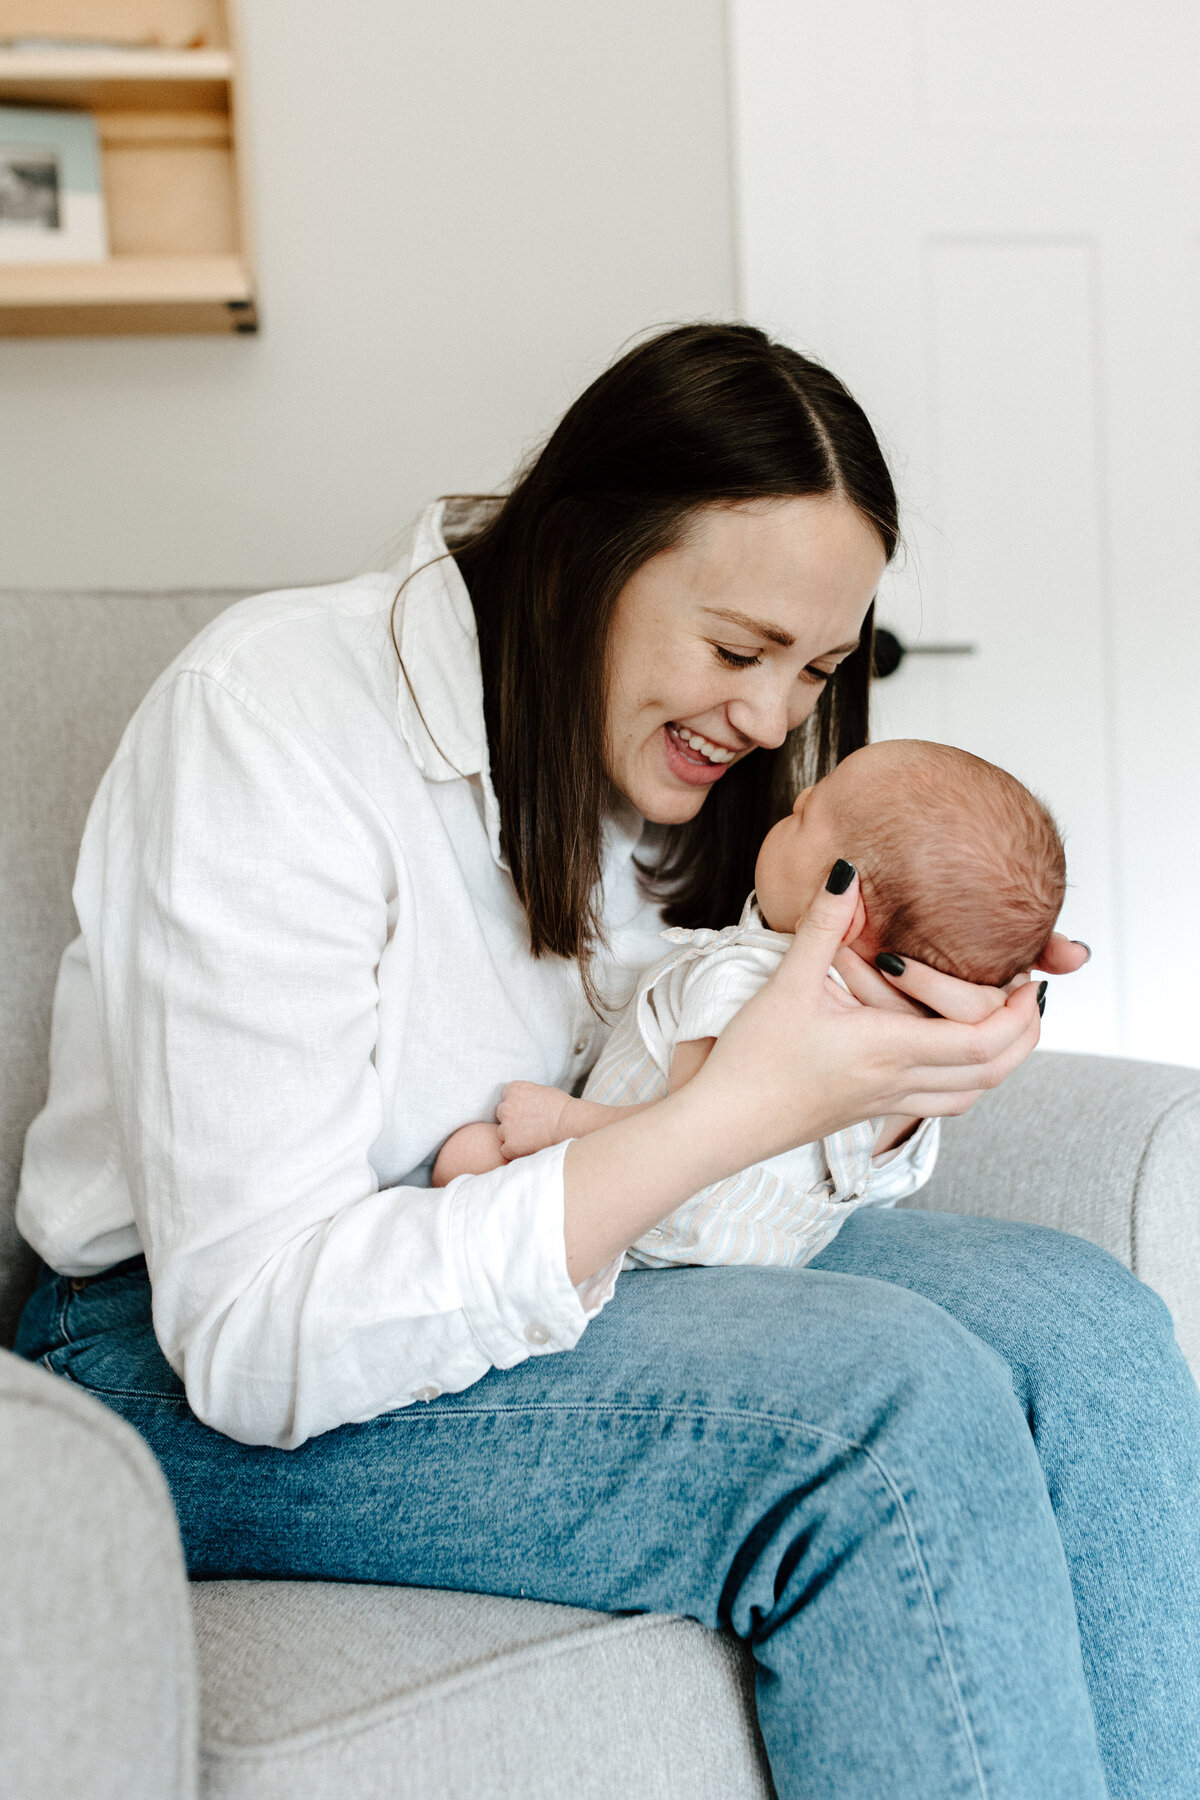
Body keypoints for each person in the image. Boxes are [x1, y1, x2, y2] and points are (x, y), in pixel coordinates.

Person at [14, 325, 1200, 1800]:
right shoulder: (274, 713)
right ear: (580, 557)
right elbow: (255, 1331)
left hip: (576, 1251)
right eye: (738, 649)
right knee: (887, 1411)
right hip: (175, 1361)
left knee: (1089, 1336)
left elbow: (700, 1101)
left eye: (815, 666)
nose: (773, 718)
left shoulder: (688, 768)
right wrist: (733, 1113)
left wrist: (893, 1049)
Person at [430, 738, 1066, 1278]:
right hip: (770, 1243)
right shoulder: (883, 1034)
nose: (785, 812)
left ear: (840, 901)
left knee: (468, 1155)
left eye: (801, 816)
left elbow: (683, 1131)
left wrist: (559, 1121)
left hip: (655, 1215)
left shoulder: (742, 978)